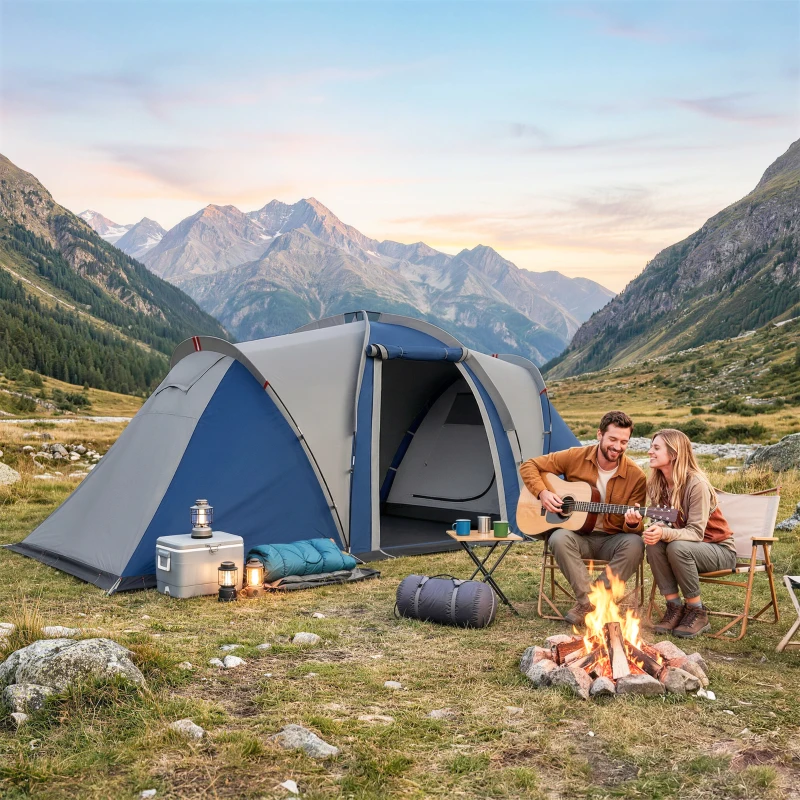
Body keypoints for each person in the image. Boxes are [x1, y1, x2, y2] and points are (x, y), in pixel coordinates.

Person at [520, 410, 646, 626]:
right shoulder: (575, 456)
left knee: (635, 543)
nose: (617, 446)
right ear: (600, 434)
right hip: (578, 536)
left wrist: (632, 523)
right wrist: (543, 493)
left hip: (611, 539)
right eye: (613, 439)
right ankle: (589, 602)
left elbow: (636, 527)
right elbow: (529, 466)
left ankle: (593, 602)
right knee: (558, 538)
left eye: (624, 442)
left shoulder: (636, 476)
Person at [628, 428, 736, 638]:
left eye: (656, 448)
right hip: (685, 547)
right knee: (654, 543)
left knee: (677, 547)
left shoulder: (696, 484)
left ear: (674, 453)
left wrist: (664, 533)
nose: (650, 452)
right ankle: (674, 608)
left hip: (719, 550)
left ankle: (697, 611)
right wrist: (648, 527)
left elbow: (696, 533)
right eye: (651, 447)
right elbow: (660, 522)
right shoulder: (658, 483)